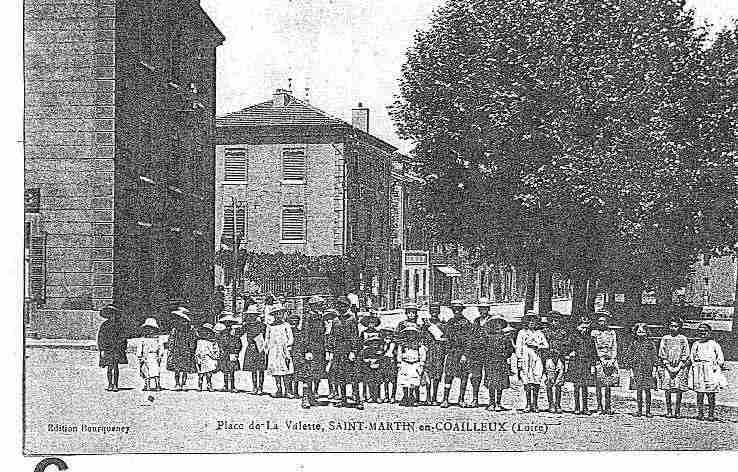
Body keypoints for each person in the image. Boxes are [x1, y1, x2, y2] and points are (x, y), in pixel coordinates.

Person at [326, 296, 363, 409]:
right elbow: (331, 337)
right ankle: (343, 399)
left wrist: (353, 351)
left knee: (353, 376)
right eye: (339, 306)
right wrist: (331, 351)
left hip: (349, 351)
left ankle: (357, 400)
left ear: (347, 307)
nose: (341, 307)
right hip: (338, 351)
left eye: (343, 305)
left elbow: (355, 337)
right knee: (340, 375)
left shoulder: (352, 319)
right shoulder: (335, 321)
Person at [294, 296, 328, 408]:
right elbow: (306, 335)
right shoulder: (308, 317)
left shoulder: (321, 317)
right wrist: (307, 350)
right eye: (320, 304)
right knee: (308, 374)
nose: (322, 306)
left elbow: (323, 334)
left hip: (320, 348)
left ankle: (313, 395)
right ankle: (305, 398)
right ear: (314, 306)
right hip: (311, 348)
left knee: (317, 373)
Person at [690, 323, 726, 421]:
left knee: (710, 393)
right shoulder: (696, 344)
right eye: (700, 331)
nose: (702, 333)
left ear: (709, 332)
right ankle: (700, 413)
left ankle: (711, 414)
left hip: (710, 370)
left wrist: (717, 365)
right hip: (699, 370)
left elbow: (720, 358)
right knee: (700, 393)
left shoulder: (714, 344)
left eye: (705, 331)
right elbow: (692, 357)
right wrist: (695, 366)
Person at [440, 300, 472, 408]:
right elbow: (446, 337)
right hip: (452, 353)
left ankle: (461, 399)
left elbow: (469, 340)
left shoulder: (466, 323)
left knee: (464, 377)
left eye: (459, 309)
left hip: (462, 353)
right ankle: (445, 399)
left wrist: (465, 355)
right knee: (448, 376)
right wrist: (447, 350)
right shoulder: (450, 322)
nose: (457, 311)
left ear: (462, 310)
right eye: (455, 310)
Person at [516, 312, 548, 412]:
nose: (531, 322)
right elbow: (518, 347)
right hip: (526, 357)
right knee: (527, 379)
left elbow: (546, 345)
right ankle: (528, 404)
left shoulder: (539, 333)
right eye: (529, 320)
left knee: (536, 377)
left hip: (536, 356)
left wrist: (538, 346)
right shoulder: (522, 333)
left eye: (533, 320)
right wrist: (519, 359)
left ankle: (535, 404)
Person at [624, 322, 658, 417]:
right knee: (638, 390)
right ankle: (639, 410)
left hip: (648, 369)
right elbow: (629, 357)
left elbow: (654, 357)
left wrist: (655, 369)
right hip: (637, 369)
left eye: (643, 332)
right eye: (639, 332)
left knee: (647, 390)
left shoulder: (651, 344)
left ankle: (648, 410)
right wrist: (630, 370)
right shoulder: (633, 344)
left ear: (647, 333)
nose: (641, 334)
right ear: (635, 333)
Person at [658, 317, 690, 418]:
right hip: (667, 366)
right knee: (667, 389)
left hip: (680, 367)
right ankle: (668, 410)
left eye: (675, 326)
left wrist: (678, 367)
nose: (673, 328)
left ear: (679, 327)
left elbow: (685, 354)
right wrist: (668, 366)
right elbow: (662, 353)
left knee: (678, 389)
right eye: (671, 326)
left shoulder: (683, 339)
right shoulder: (665, 338)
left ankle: (677, 411)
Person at [483, 314, 514, 411]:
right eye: (495, 324)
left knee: (500, 383)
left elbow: (510, 349)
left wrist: (505, 355)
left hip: (501, 362)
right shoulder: (488, 337)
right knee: (491, 382)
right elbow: (483, 349)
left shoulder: (505, 337)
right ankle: (491, 402)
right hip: (490, 362)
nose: (497, 326)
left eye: (499, 323)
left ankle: (498, 403)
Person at [566, 319, 597, 415]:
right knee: (576, 386)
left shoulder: (590, 339)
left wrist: (593, 365)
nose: (584, 330)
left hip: (586, 364)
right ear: (578, 327)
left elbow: (593, 353)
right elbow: (567, 348)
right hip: (576, 364)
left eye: (586, 328)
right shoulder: (573, 337)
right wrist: (570, 353)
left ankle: (585, 407)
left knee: (585, 386)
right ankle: (577, 407)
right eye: (582, 327)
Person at [591, 311, 619, 415]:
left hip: (610, 359)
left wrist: (612, 359)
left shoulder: (612, 333)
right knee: (599, 384)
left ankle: (608, 406)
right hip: (599, 360)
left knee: (608, 384)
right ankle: (599, 406)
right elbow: (595, 347)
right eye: (600, 321)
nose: (602, 323)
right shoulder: (595, 333)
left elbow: (614, 346)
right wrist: (601, 359)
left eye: (604, 321)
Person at [542, 311, 569, 413]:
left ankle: (558, 404)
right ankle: (551, 404)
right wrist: (549, 351)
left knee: (559, 382)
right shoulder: (545, 332)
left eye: (556, 320)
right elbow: (542, 346)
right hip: (549, 358)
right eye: (552, 320)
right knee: (549, 381)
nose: (554, 323)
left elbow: (567, 345)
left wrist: (561, 351)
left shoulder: (563, 333)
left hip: (560, 358)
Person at [264, 306, 294, 398]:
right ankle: (279, 389)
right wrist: (267, 349)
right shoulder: (270, 326)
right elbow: (267, 339)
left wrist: (288, 347)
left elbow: (291, 338)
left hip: (283, 350)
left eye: (280, 313)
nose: (278, 316)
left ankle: (288, 391)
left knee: (285, 371)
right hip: (273, 351)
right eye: (276, 314)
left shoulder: (286, 325)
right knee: (276, 371)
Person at [97, 304, 128, 392]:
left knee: (116, 367)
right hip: (108, 348)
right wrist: (101, 349)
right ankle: (110, 384)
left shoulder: (119, 325)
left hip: (117, 348)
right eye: (110, 314)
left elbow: (123, 337)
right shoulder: (104, 325)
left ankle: (116, 384)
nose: (112, 316)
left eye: (113, 313)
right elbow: (100, 338)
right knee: (109, 367)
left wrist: (123, 347)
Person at [421, 303, 447, 405]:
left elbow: (445, 339)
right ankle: (428, 397)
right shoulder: (425, 325)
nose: (434, 313)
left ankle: (434, 397)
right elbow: (421, 338)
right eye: (432, 311)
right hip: (428, 352)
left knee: (437, 375)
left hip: (439, 352)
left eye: (436, 311)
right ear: (429, 312)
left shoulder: (443, 325)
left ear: (439, 312)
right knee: (427, 373)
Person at [166, 307, 198, 391]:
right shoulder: (175, 329)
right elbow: (171, 339)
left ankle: (183, 383)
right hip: (177, 349)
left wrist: (192, 349)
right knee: (177, 368)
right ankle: (177, 383)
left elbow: (193, 339)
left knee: (185, 368)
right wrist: (170, 349)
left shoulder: (191, 329)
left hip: (186, 349)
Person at [396, 325, 427, 407]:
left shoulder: (419, 345)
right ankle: (405, 396)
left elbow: (422, 354)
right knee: (404, 380)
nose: (411, 336)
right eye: (409, 334)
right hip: (405, 363)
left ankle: (412, 397)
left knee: (414, 380)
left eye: (413, 334)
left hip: (415, 363)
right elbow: (399, 354)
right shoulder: (402, 344)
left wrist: (421, 363)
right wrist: (399, 362)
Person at [358, 313, 384, 403]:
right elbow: (360, 345)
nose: (371, 325)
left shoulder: (378, 332)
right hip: (366, 356)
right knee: (367, 378)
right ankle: (366, 395)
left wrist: (379, 354)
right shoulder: (363, 333)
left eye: (373, 323)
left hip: (376, 356)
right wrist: (363, 357)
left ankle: (377, 396)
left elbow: (381, 344)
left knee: (377, 378)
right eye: (369, 323)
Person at [241, 305, 267, 394]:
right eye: (250, 315)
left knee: (261, 369)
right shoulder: (247, 325)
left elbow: (267, 337)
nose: (252, 317)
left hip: (260, 348)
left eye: (253, 315)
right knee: (253, 369)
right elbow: (239, 333)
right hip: (251, 347)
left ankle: (260, 387)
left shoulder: (263, 325)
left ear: (257, 316)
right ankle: (255, 387)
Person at [136, 317, 165, 391]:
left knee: (155, 371)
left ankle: (157, 385)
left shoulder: (157, 339)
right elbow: (140, 348)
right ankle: (147, 385)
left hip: (154, 356)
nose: (150, 331)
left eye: (152, 329)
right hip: (145, 357)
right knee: (146, 371)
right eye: (147, 329)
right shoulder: (143, 339)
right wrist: (140, 356)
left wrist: (160, 355)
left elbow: (160, 347)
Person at [216, 323, 243, 393]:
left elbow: (239, 344)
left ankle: (232, 386)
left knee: (231, 371)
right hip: (225, 355)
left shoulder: (235, 335)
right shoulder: (223, 334)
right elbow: (220, 343)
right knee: (225, 371)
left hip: (232, 354)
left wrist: (236, 352)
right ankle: (226, 385)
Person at [195, 323, 220, 391]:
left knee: (209, 373)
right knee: (201, 373)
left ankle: (209, 385)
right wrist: (197, 357)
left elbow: (213, 350)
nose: (206, 334)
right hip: (202, 358)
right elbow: (197, 351)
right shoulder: (199, 341)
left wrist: (214, 356)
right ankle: (200, 385)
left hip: (209, 359)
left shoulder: (212, 342)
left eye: (208, 332)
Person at [379, 326, 398, 403]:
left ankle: (393, 396)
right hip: (385, 362)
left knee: (393, 380)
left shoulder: (395, 344)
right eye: (386, 335)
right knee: (385, 380)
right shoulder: (382, 345)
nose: (388, 337)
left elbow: (397, 354)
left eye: (390, 335)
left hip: (392, 362)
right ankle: (386, 396)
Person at [286, 313, 302, 397]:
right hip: (288, 354)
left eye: (296, 322)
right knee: (288, 374)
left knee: (296, 374)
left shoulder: (300, 332)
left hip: (297, 354)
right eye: (292, 322)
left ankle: (295, 391)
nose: (294, 324)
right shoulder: (286, 332)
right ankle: (289, 391)